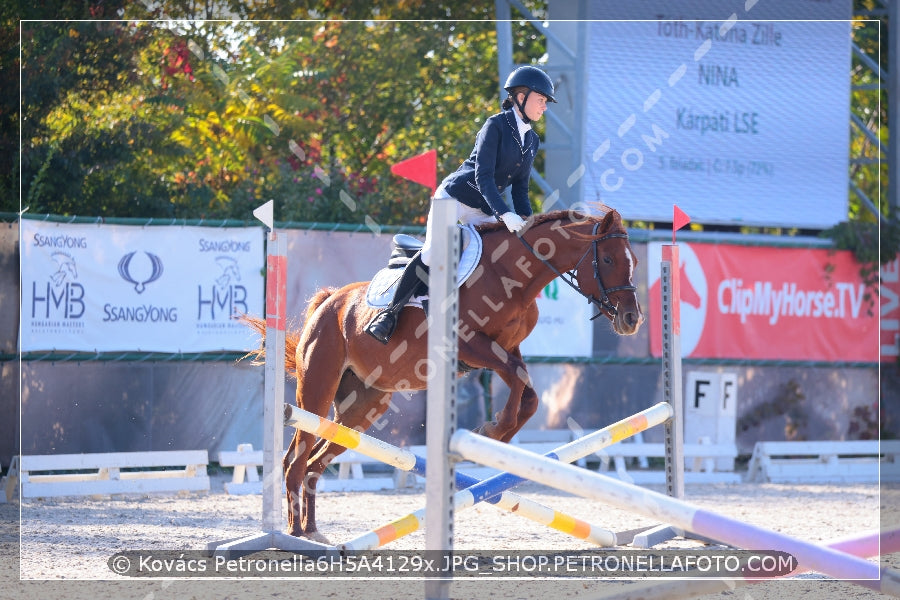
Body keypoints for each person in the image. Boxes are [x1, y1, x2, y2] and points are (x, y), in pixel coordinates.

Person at [366, 65, 556, 344]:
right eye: (541, 100)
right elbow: (483, 176)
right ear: (520, 96)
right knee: (433, 253)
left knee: (496, 251)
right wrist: (504, 214)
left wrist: (527, 222)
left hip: (481, 208)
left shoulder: (531, 140)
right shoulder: (495, 126)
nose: (544, 107)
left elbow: (521, 189)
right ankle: (389, 314)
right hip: (454, 197)